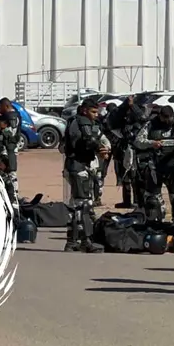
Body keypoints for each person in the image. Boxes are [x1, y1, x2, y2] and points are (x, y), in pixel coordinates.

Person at [62, 98, 110, 253]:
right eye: (93, 112)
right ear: (84, 110)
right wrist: (99, 149)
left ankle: (72, 241)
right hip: (78, 167)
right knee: (83, 205)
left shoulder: (74, 122)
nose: (96, 115)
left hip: (77, 166)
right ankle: (84, 241)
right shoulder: (82, 122)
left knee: (76, 205)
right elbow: (88, 141)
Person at [134, 105, 174, 223]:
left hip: (173, 167)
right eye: (164, 117)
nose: (166, 120)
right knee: (153, 200)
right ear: (160, 115)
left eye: (169, 118)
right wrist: (152, 143)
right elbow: (138, 141)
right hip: (155, 166)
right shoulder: (150, 125)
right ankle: (156, 224)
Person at [106, 95, 146, 209]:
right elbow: (112, 121)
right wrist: (125, 105)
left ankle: (138, 201)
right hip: (122, 147)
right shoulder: (118, 113)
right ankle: (127, 200)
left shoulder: (139, 111)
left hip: (136, 148)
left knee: (136, 176)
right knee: (124, 176)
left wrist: (132, 106)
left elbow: (143, 119)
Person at [0, 98, 22, 211]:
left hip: (7, 149)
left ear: (5, 106)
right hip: (8, 148)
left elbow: (9, 133)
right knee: (9, 173)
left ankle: (14, 197)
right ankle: (12, 196)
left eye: (0, 107)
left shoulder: (11, 116)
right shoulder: (13, 115)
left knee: (9, 172)